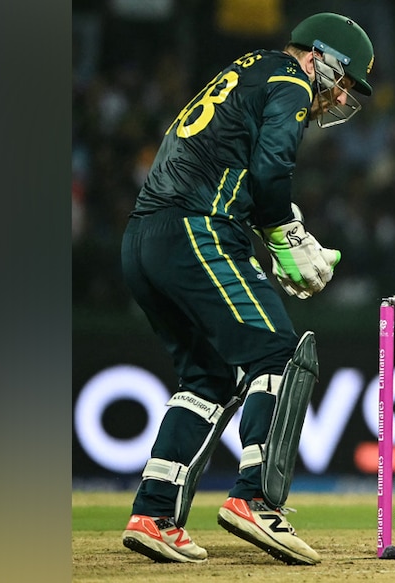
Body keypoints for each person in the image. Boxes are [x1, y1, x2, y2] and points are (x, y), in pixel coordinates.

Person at [118, 12, 376, 565]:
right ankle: (256, 499)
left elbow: (231, 163)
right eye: (344, 80)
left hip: (143, 239)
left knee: (209, 376)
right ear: (321, 56)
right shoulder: (288, 78)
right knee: (280, 356)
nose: (339, 98)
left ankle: (154, 512)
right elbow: (270, 168)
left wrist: (275, 231)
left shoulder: (246, 70)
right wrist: (286, 234)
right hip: (197, 229)